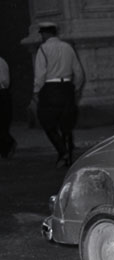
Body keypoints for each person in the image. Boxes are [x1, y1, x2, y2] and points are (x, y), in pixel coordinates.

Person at [32, 22, 85, 167]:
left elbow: (40, 74)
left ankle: (62, 150)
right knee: (66, 123)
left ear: (45, 34)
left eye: (42, 34)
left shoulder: (43, 49)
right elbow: (78, 71)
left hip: (50, 89)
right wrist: (76, 88)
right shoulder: (68, 47)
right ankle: (68, 156)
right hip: (67, 87)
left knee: (47, 122)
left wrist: (36, 91)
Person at [0, 55, 17, 159]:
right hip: (4, 93)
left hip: (2, 92)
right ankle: (5, 148)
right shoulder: (3, 61)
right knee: (3, 123)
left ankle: (8, 144)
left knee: (2, 123)